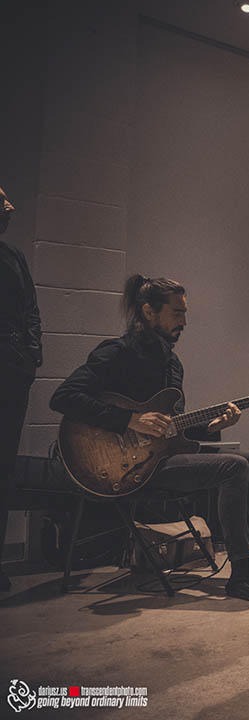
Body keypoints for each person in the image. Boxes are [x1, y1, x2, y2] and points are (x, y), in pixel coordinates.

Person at [52, 275, 249, 603]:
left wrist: (211, 426)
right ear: (148, 311)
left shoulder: (172, 364)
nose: (184, 322)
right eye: (176, 313)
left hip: (160, 459)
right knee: (234, 467)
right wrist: (131, 420)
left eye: (184, 313)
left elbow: (172, 430)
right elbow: (64, 397)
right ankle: (242, 573)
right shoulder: (116, 353)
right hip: (125, 469)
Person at [0, 184, 41, 593]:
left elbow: (31, 309)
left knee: (3, 468)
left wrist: (32, 359)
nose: (10, 205)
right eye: (1, 199)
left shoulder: (13, 256)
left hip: (12, 372)